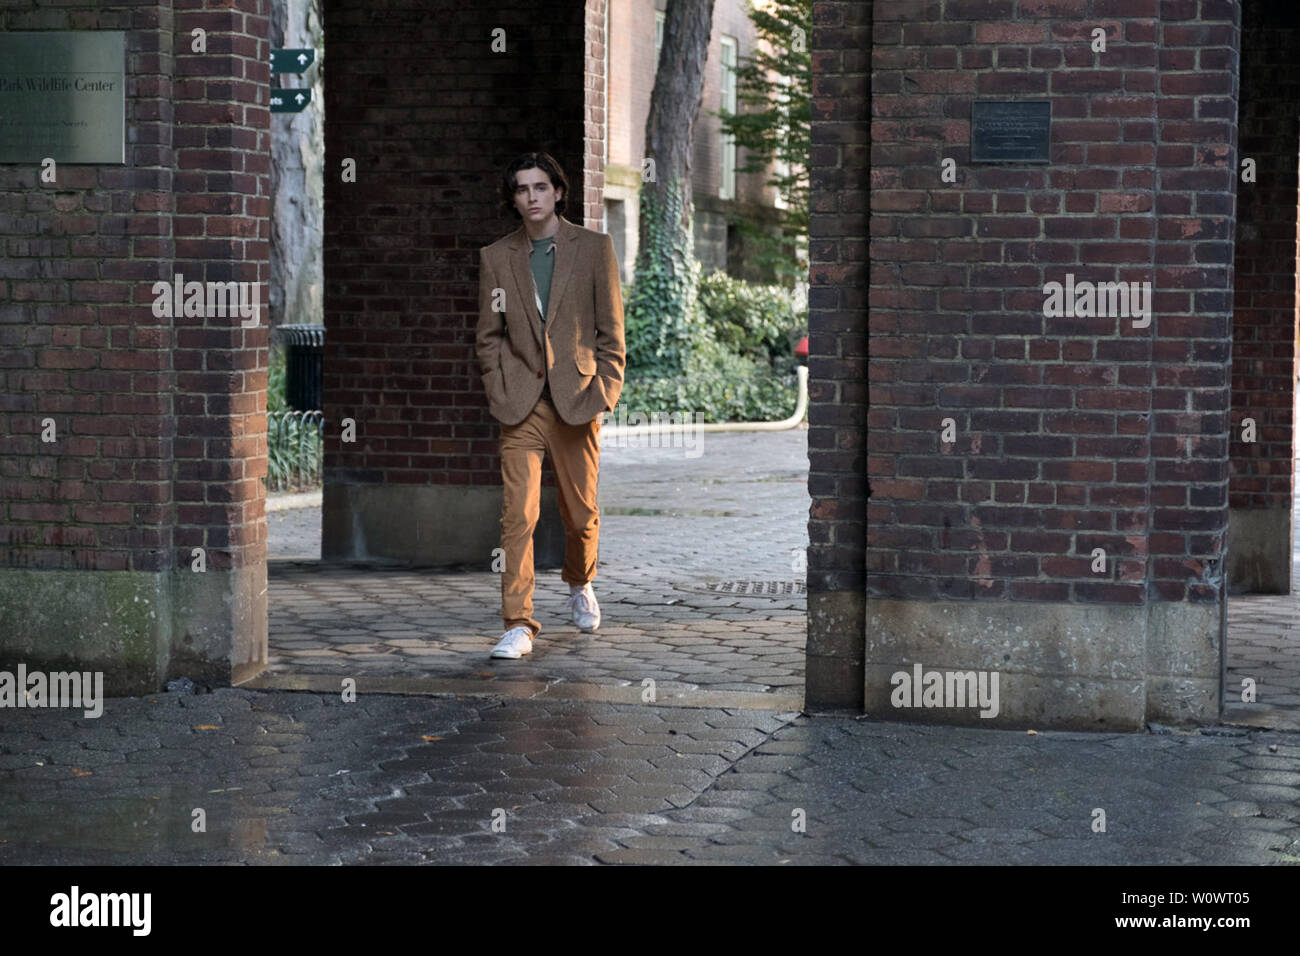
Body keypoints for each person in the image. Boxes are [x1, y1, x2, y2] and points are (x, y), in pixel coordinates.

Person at [475, 151, 626, 659]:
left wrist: (604, 389)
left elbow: (611, 331)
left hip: (578, 401)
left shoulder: (593, 249)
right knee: (517, 516)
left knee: (580, 513)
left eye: (540, 187)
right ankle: (518, 623)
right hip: (520, 405)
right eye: (521, 189)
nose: (531, 197)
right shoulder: (496, 257)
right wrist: (499, 389)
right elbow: (488, 336)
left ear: (558, 192)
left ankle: (580, 581)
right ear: (513, 198)